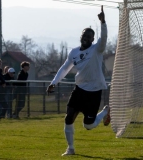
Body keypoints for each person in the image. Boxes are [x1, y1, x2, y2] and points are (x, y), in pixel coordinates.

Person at [46, 5, 110, 156]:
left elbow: (104, 38)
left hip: (94, 91)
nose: (86, 38)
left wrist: (103, 22)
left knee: (88, 125)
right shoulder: (74, 52)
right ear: (81, 37)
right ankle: (71, 149)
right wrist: (54, 82)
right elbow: (64, 68)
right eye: (84, 35)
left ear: (93, 39)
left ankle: (105, 111)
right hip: (79, 89)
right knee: (69, 118)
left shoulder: (97, 49)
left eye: (89, 36)